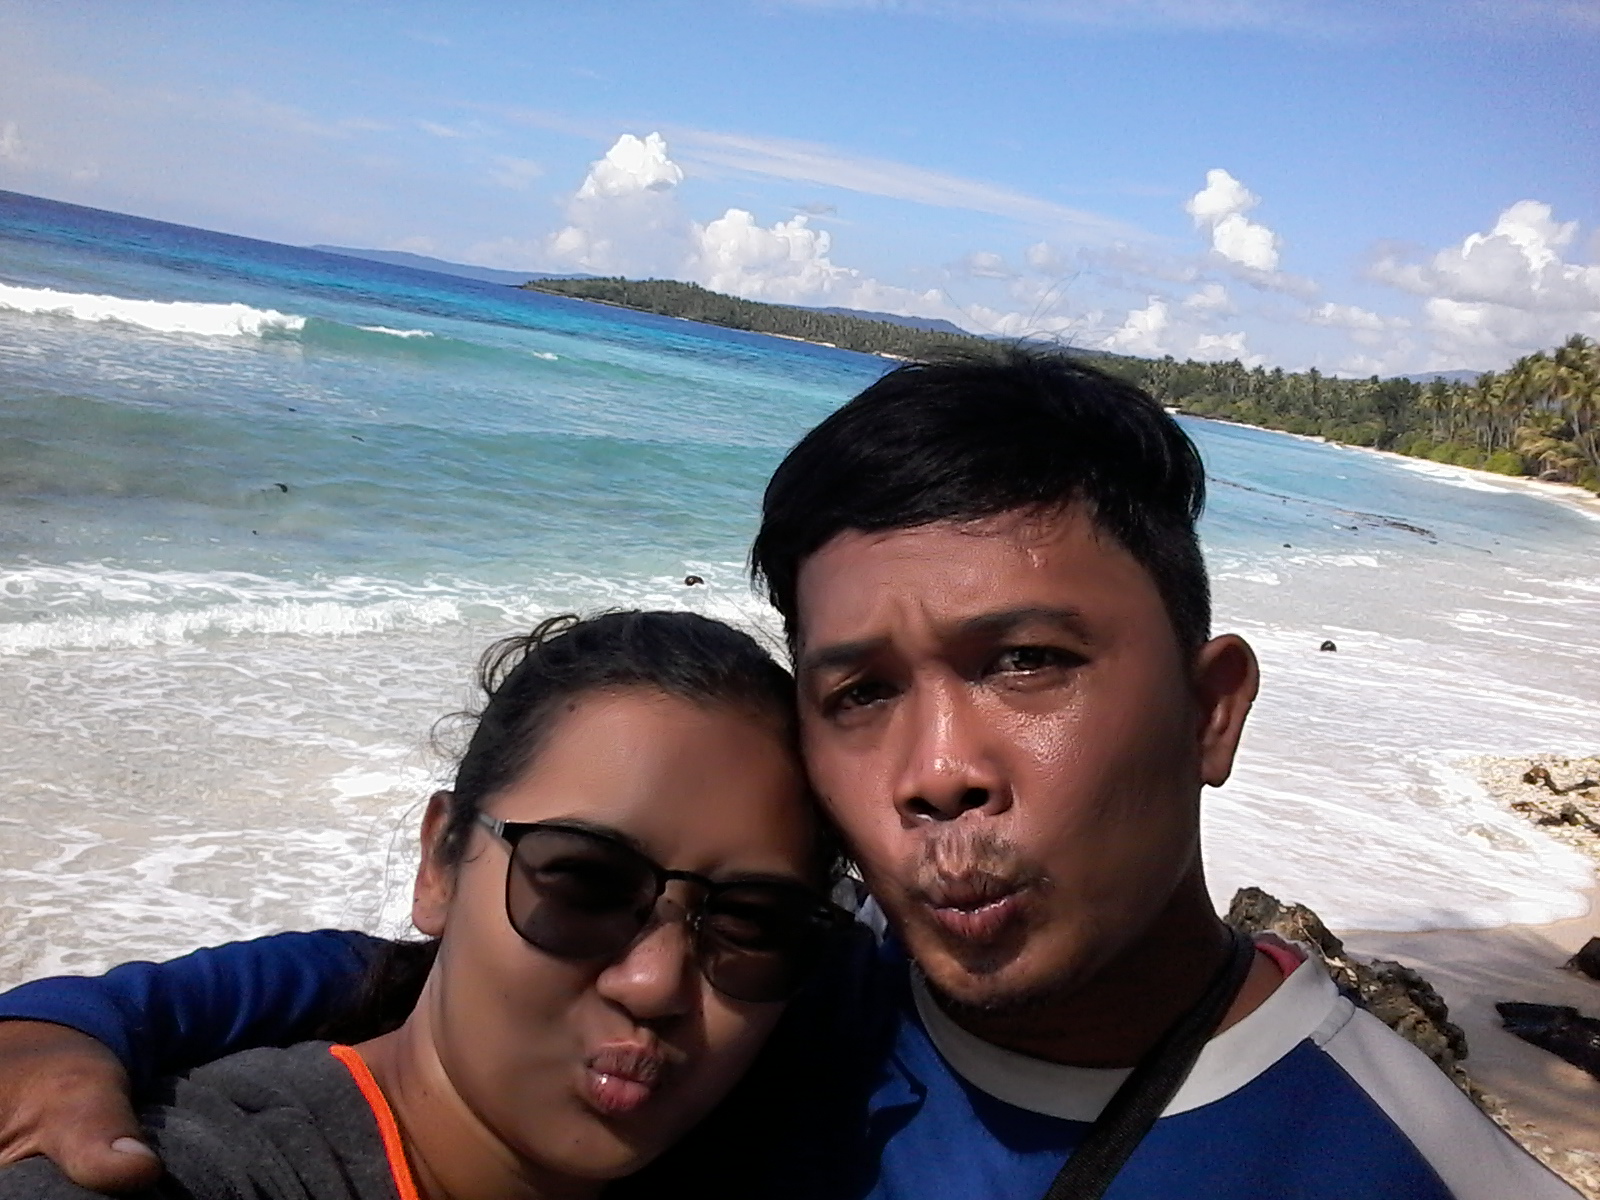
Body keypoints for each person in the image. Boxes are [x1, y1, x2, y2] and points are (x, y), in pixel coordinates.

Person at [0, 349, 1576, 1199]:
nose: (938, 771)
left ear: (1211, 710)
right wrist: (77, 1018)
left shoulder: (1400, 1170)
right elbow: (405, 974)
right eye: (861, 693)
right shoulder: (793, 984)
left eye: (1029, 662)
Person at [0, 610, 855, 1199]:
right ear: (440, 864)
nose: (655, 983)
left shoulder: (788, 1132)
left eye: (752, 923)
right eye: (584, 882)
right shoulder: (200, 1170)